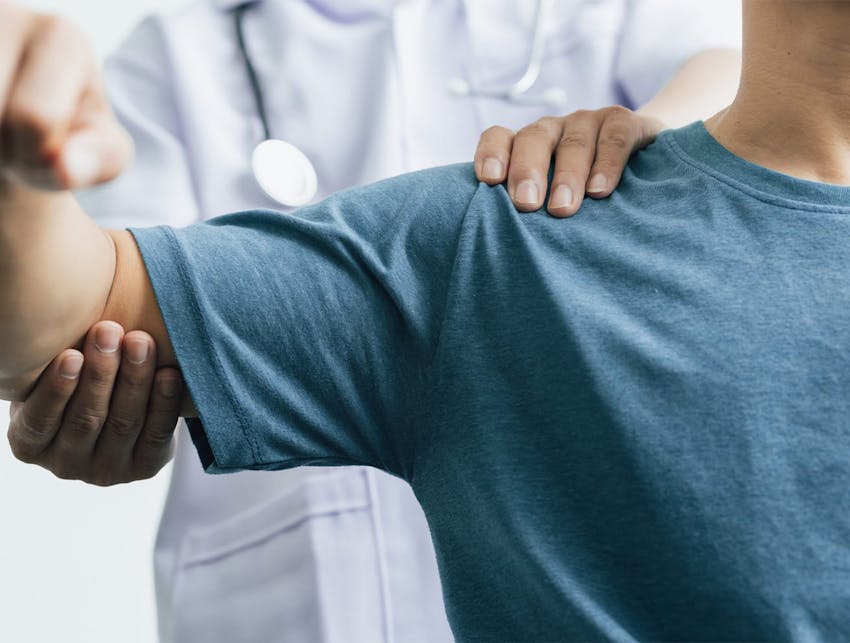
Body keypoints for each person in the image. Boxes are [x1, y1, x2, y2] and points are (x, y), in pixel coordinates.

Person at [3, 0, 850, 638]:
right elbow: (78, 312)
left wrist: (654, 132)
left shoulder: (603, 28)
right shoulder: (185, 65)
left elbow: (743, 76)